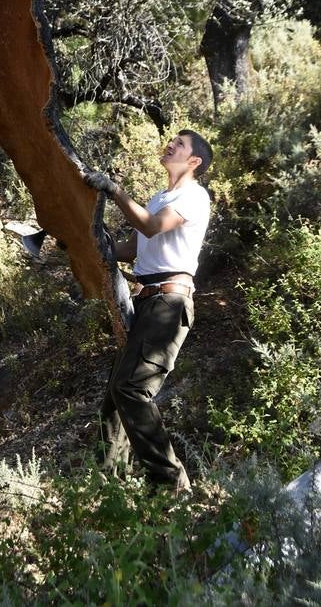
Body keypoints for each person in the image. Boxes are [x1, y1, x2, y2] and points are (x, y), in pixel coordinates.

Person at [85, 129, 213, 494]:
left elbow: (151, 227)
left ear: (193, 161)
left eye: (181, 144)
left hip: (169, 303)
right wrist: (85, 234)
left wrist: (114, 190)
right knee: (114, 397)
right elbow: (130, 249)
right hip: (145, 303)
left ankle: (172, 484)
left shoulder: (194, 196)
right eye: (172, 139)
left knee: (131, 388)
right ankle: (111, 487)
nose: (171, 144)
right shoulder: (159, 197)